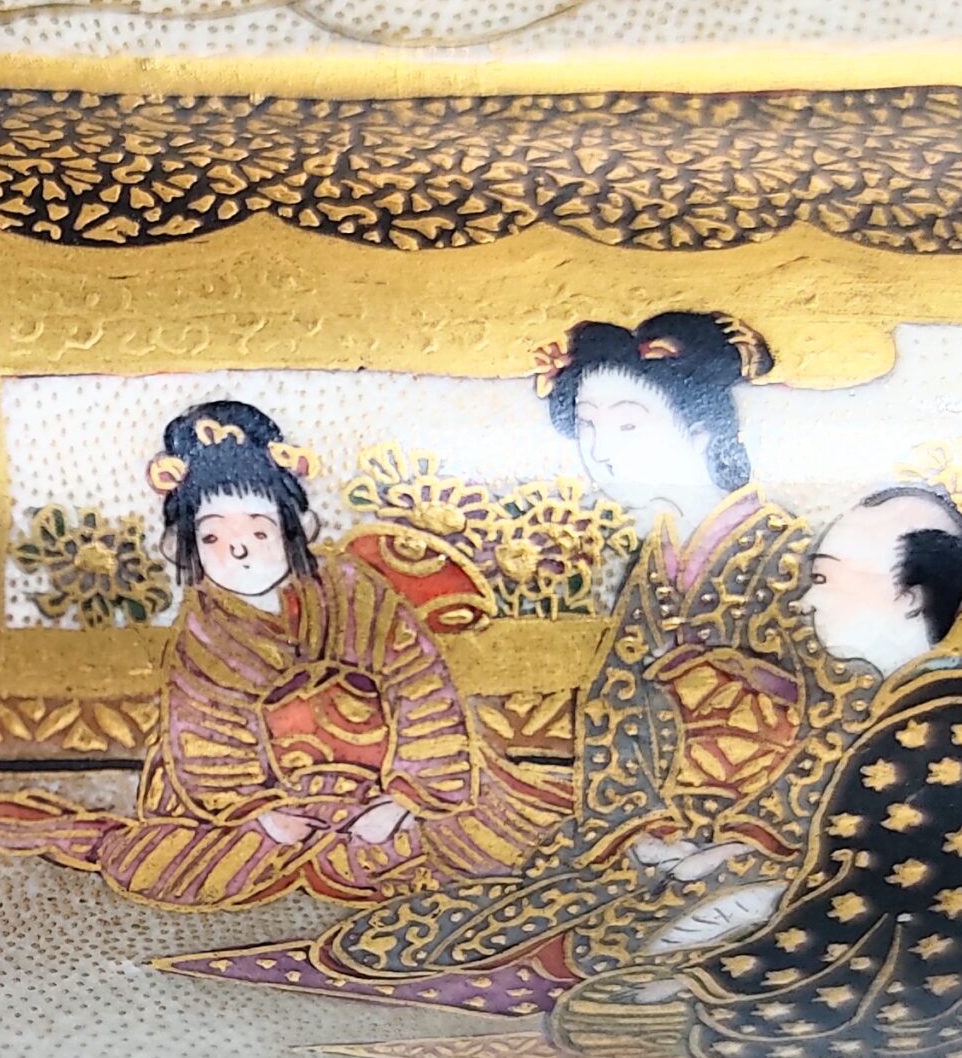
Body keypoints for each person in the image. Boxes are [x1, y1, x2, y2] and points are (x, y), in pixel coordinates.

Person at [229, 310, 874, 1010]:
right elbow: (615, 708)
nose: (601, 450)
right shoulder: (660, 559)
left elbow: (845, 716)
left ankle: (746, 908)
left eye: (628, 425)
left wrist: (745, 835)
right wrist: (645, 827)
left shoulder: (792, 555)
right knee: (432, 935)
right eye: (588, 426)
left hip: (774, 829)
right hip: (658, 827)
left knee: (596, 952)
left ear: (701, 432)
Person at [553, 488, 962, 1058]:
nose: (808, 602)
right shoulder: (933, 714)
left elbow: (854, 907)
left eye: (825, 579)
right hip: (844, 945)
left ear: (908, 597)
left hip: (877, 994)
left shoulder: (937, 733)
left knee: (616, 1013)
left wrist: (705, 979)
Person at [0, 401, 555, 912]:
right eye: (213, 537)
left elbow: (421, 690)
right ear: (184, 546)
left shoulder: (353, 591)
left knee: (489, 845)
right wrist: (263, 814)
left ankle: (384, 827)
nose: (239, 551)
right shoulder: (208, 624)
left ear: (296, 528)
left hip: (387, 776)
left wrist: (404, 799)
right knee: (166, 868)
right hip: (267, 793)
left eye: (258, 530)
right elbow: (204, 730)